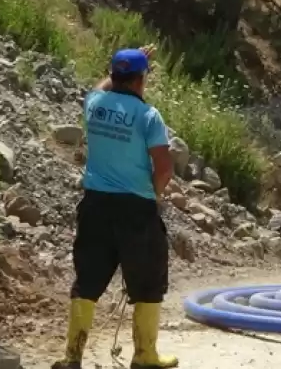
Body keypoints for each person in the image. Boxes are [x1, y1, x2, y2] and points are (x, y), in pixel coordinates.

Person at [51, 46, 178, 369]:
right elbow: (164, 167)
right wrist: (156, 195)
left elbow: (100, 86)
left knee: (88, 278)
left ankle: (72, 357)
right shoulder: (148, 115)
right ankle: (145, 355)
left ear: (113, 75)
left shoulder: (94, 104)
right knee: (148, 279)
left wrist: (124, 64)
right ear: (141, 79)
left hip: (94, 205)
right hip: (136, 208)